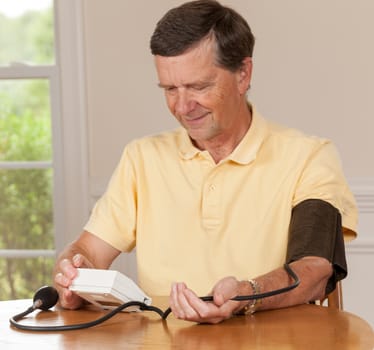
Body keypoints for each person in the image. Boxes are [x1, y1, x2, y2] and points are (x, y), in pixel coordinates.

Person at [53, 0, 357, 324]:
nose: (183, 106)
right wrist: (74, 272)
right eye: (170, 88)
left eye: (199, 86)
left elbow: (314, 269)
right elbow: (89, 251)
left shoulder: (309, 157)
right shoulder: (141, 158)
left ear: (243, 74)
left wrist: (245, 294)